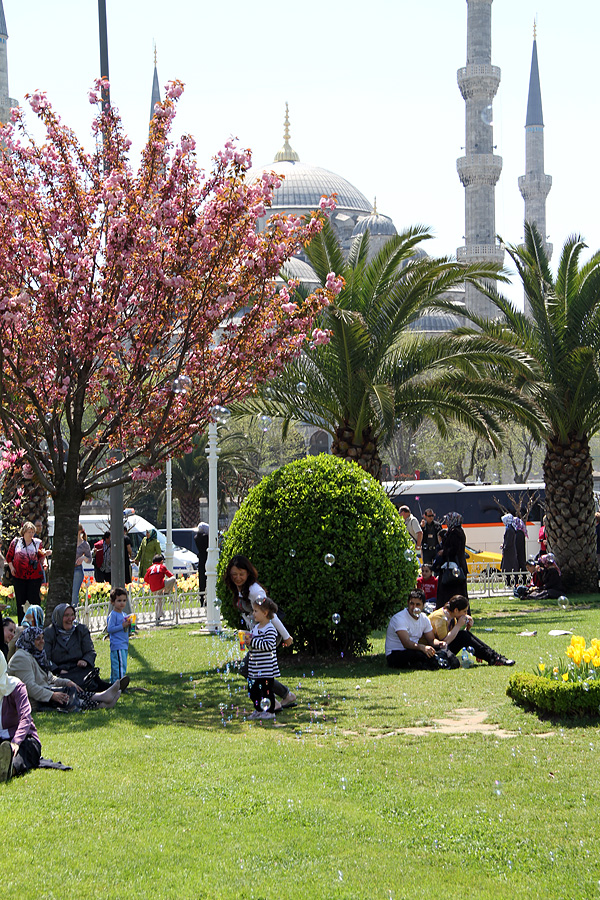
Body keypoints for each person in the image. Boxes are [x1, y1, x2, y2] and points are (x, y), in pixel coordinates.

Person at [224, 555, 296, 708]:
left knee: (249, 669)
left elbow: (271, 615)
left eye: (241, 574)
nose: (237, 578)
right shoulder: (240, 589)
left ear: (248, 573)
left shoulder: (255, 591)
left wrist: (286, 636)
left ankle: (274, 702)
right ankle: (284, 696)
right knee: (255, 669)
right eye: (234, 574)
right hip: (257, 633)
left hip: (268, 632)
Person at [8, 627, 123, 711]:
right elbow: (29, 687)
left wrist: (66, 682)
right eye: (37, 639)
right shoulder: (21, 658)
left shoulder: (36, 655)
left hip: (42, 692)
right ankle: (101, 700)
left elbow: (49, 677)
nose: (42, 641)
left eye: (42, 638)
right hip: (32, 700)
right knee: (64, 694)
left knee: (69, 688)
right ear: (29, 640)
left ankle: (101, 700)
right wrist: (52, 695)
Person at [428, 595, 515, 666]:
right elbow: (444, 642)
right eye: (464, 611)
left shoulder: (451, 616)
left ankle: (494, 657)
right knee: (463, 635)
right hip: (433, 651)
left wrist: (468, 629)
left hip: (442, 649)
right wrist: (459, 625)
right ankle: (494, 658)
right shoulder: (440, 617)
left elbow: (455, 637)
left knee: (464, 634)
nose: (466, 614)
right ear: (456, 610)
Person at [44, 603, 111, 690]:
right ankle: (103, 690)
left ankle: (109, 688)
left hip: (79, 669)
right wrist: (57, 670)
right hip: (60, 672)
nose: (70, 618)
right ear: (58, 617)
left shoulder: (81, 630)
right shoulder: (48, 633)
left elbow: (90, 651)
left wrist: (85, 660)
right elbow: (45, 658)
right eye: (66, 615)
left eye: (72, 615)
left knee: (90, 676)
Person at [385, 589, 457, 670]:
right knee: (420, 655)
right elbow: (406, 643)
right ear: (408, 603)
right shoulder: (399, 618)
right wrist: (423, 648)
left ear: (423, 605)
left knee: (439, 651)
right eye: (412, 604)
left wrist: (440, 643)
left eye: (418, 604)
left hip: (414, 649)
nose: (414, 607)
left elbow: (431, 640)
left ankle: (444, 662)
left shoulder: (424, 618)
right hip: (396, 653)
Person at [0, 651, 42, 781]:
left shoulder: (16, 687)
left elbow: (25, 718)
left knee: (21, 752)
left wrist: (16, 742)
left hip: (23, 738)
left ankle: (9, 769)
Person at [242, 596, 280, 720]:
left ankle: (270, 711)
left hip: (266, 670)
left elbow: (268, 646)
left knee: (267, 691)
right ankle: (258, 710)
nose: (253, 614)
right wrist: (248, 643)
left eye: (256, 611)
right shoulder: (255, 628)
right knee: (253, 691)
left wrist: (253, 641)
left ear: (265, 613)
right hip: (254, 669)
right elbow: (254, 646)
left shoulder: (270, 629)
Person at [5, 521, 47, 623]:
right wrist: (12, 568)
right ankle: (22, 623)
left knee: (34, 601)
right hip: (19, 576)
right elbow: (9, 557)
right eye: (29, 532)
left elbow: (41, 556)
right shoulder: (16, 542)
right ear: (24, 532)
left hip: (34, 577)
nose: (31, 534)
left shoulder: (37, 543)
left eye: (33, 532)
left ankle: (36, 623)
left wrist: (45, 563)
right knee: (21, 602)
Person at [432, 513, 468, 609]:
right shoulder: (456, 531)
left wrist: (444, 552)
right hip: (456, 566)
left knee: (450, 592)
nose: (446, 522)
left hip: (452, 567)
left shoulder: (455, 532)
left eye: (448, 520)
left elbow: (454, 549)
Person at [107, 587, 133, 684]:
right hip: (117, 645)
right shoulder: (113, 615)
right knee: (119, 666)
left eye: (124, 600)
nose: (122, 603)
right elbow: (110, 629)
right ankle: (119, 684)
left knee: (122, 664)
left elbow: (128, 630)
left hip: (124, 644)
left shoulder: (124, 614)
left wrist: (130, 625)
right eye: (119, 601)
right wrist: (122, 625)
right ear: (113, 602)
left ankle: (114, 684)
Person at [144, 554, 176, 625]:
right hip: (161, 585)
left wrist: (152, 582)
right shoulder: (162, 566)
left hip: (153, 588)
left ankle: (158, 616)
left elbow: (145, 579)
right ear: (161, 561)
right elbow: (170, 575)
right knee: (173, 579)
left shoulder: (150, 568)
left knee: (158, 600)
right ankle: (167, 592)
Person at [72, 524, 92, 607]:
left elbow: (89, 559)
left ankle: (74, 611)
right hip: (67, 569)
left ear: (80, 531)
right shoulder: (68, 542)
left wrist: (83, 558)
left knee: (74, 594)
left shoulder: (84, 544)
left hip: (77, 569)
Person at [194, 522, 209, 593]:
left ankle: (201, 593)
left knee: (201, 578)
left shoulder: (196, 537)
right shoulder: (206, 538)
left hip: (201, 559)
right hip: (206, 558)